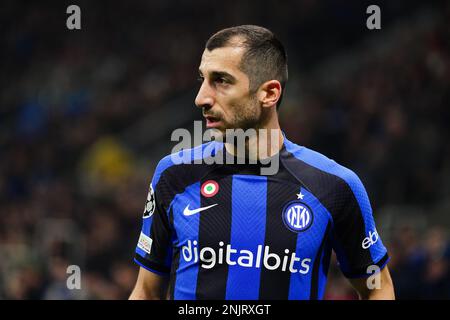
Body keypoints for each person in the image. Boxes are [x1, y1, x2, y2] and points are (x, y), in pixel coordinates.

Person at [129, 25, 395, 300]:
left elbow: (377, 287)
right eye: (203, 79)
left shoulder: (335, 186)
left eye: (221, 80)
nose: (201, 98)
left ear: (269, 93)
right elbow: (147, 292)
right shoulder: (174, 174)